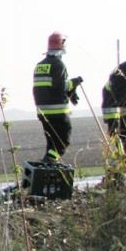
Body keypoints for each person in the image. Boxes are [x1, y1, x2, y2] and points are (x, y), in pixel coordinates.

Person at [32, 32, 83, 163]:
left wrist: (70, 91)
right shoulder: (59, 65)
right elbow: (60, 86)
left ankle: (48, 167)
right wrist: (74, 83)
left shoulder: (40, 65)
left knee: (52, 143)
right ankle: (48, 162)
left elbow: (49, 87)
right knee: (62, 142)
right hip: (58, 113)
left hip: (43, 113)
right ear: (62, 45)